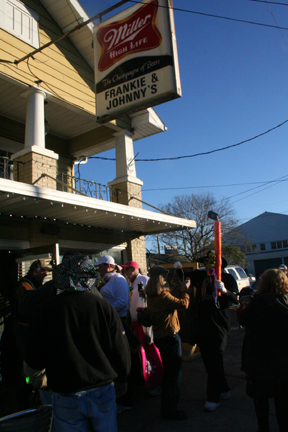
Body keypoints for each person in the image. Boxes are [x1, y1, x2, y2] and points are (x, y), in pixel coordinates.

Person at [24, 254, 131, 432]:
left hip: (66, 392)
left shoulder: (47, 309)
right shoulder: (103, 306)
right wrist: (123, 378)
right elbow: (120, 348)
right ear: (89, 276)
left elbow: (33, 356)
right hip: (102, 390)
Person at [239, 268, 288, 432]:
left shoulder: (257, 302)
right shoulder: (286, 301)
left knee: (261, 402)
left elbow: (243, 321)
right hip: (282, 361)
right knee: (282, 403)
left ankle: (263, 428)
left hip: (258, 360)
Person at [190, 250, 238, 411]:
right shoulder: (201, 278)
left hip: (219, 325)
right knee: (209, 361)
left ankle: (213, 396)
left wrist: (225, 291)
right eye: (206, 262)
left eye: (211, 262)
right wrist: (179, 272)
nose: (207, 264)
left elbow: (235, 298)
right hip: (203, 325)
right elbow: (187, 275)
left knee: (215, 359)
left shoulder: (227, 278)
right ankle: (223, 388)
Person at [145, 265, 190, 420]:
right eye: (165, 277)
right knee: (174, 375)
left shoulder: (152, 296)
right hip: (170, 337)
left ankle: (166, 406)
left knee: (168, 374)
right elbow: (183, 304)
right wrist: (185, 290)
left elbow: (170, 299)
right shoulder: (164, 297)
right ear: (161, 279)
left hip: (160, 337)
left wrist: (177, 289)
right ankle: (171, 409)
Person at [13, 259, 52, 409]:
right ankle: (23, 396)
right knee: (28, 365)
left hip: (31, 329)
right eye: (43, 271)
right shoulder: (24, 286)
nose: (46, 274)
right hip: (24, 330)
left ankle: (32, 392)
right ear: (35, 272)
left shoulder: (36, 285)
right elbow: (29, 306)